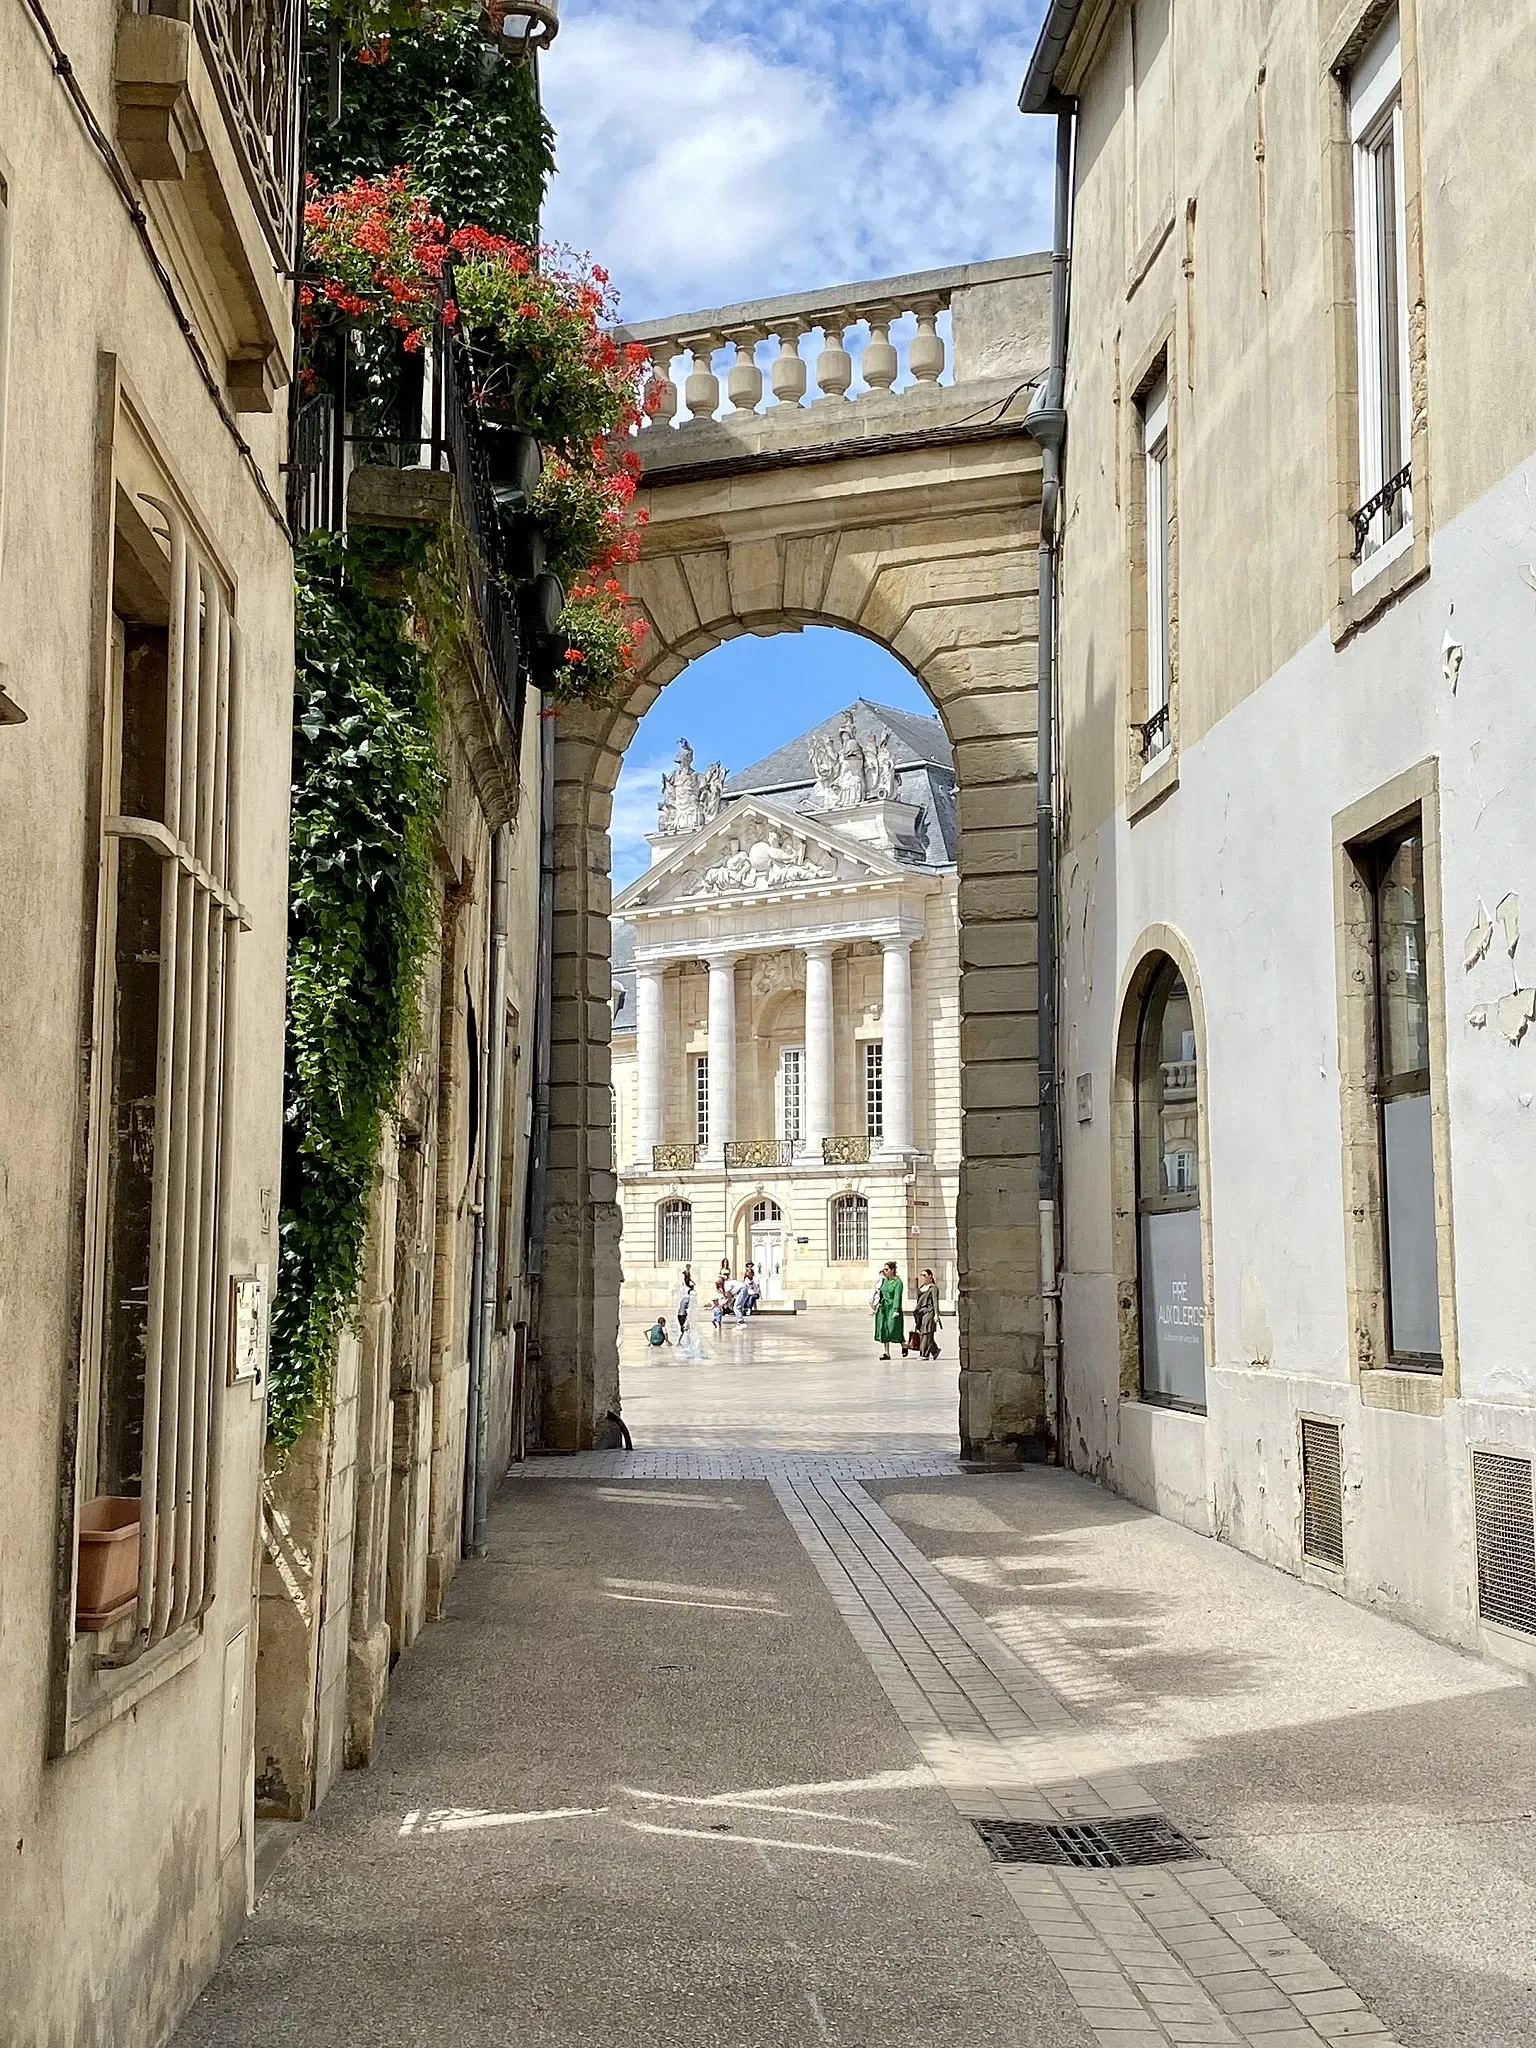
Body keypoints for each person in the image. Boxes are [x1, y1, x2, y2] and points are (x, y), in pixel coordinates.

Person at [873, 1261, 904, 1360]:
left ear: (892, 1270)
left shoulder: (897, 1282)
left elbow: (897, 1297)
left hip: (892, 1307)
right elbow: (879, 1292)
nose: (885, 1271)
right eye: (884, 1269)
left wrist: (896, 1309)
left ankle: (903, 1345)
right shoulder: (884, 1280)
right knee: (884, 1329)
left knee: (893, 1328)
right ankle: (886, 1352)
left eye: (887, 1269)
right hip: (883, 1307)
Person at [913, 1269, 941, 1359]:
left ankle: (924, 1354)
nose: (923, 1277)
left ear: (930, 1276)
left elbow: (935, 1302)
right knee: (923, 1332)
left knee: (926, 1332)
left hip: (929, 1312)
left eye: (924, 1275)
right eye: (921, 1275)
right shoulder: (921, 1288)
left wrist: (936, 1314)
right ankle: (935, 1350)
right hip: (920, 1313)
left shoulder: (933, 1288)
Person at [677, 1271, 696, 1335]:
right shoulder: (688, 1298)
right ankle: (685, 1333)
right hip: (682, 1315)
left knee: (683, 1326)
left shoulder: (684, 1298)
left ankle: (683, 1336)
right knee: (685, 1326)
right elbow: (688, 1308)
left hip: (679, 1315)